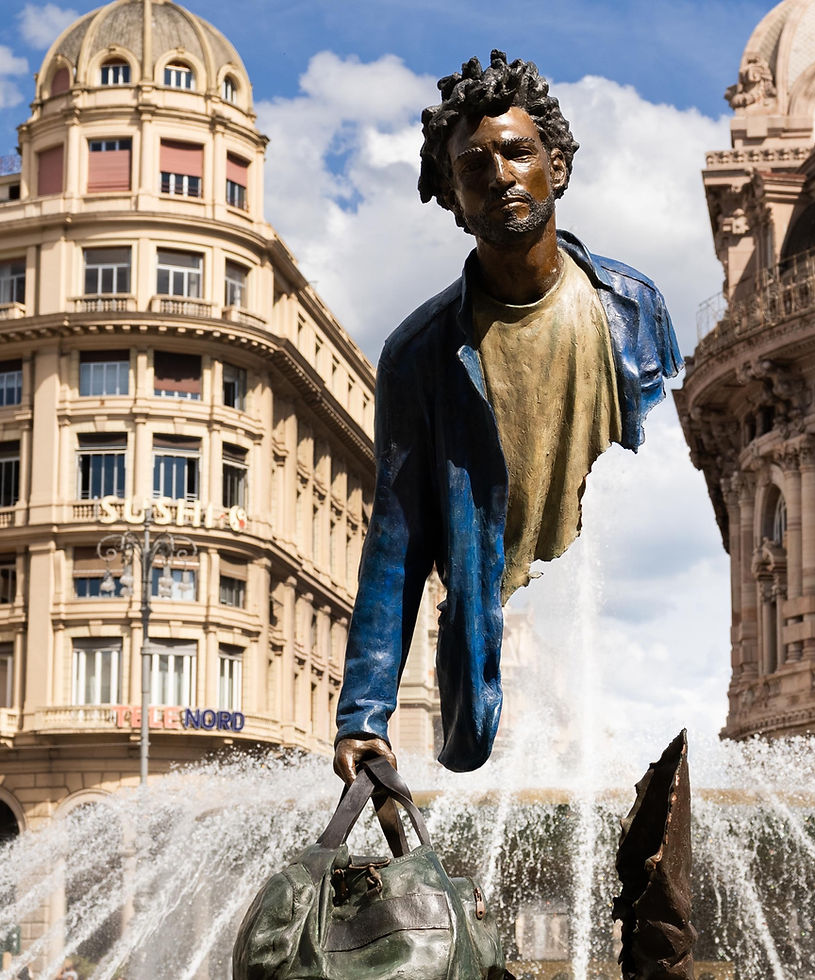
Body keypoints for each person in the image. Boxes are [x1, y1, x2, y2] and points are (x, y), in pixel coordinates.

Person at [333, 51, 681, 780]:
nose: (499, 175)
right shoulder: (418, 355)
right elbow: (397, 539)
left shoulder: (634, 310)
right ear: (452, 196)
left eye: (518, 152)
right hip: (488, 654)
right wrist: (364, 715)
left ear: (556, 163)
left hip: (640, 646)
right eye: (472, 166)